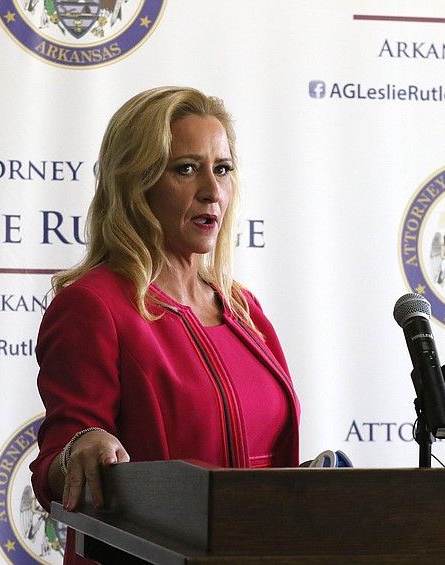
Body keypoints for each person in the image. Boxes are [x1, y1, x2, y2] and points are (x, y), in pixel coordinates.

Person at [29, 86, 301, 564]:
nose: (212, 191)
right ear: (136, 181)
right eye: (186, 169)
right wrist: (80, 449)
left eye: (222, 169)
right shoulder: (94, 306)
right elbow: (54, 467)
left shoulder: (244, 310)